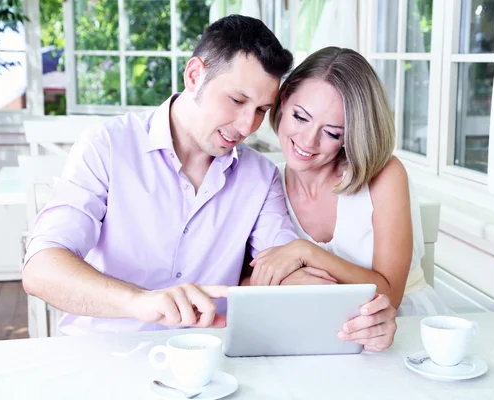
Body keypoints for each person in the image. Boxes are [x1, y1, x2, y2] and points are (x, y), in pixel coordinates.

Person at [22, 16, 397, 350]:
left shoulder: (261, 177)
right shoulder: (107, 145)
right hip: (103, 355)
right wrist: (140, 302)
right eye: (236, 100)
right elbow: (41, 269)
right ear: (194, 75)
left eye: (262, 111)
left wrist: (363, 314)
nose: (247, 126)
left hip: (208, 359)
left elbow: (288, 275)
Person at [249, 46, 451, 317]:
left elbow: (389, 295)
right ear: (283, 100)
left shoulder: (384, 175)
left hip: (399, 323)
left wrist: (306, 251)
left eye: (332, 133)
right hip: (315, 324)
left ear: (352, 134)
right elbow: (245, 282)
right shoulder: (264, 183)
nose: (308, 141)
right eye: (300, 117)